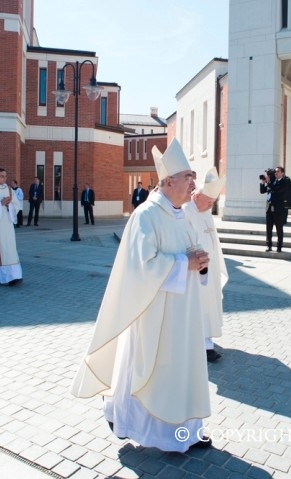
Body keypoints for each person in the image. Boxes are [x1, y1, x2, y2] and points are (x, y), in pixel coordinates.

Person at [72, 138, 213, 453]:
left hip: (184, 312)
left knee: (184, 367)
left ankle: (188, 429)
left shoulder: (182, 213)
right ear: (167, 181)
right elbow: (140, 267)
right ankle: (144, 428)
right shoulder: (146, 215)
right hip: (154, 311)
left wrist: (201, 264)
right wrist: (183, 263)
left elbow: (191, 252)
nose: (193, 182)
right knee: (153, 368)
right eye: (188, 176)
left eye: (193, 175)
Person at [183, 167, 228, 363]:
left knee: (210, 302)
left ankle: (207, 340)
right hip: (196, 269)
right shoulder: (186, 211)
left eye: (213, 203)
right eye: (209, 202)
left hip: (211, 268)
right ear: (197, 195)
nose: (211, 206)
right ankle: (204, 345)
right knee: (199, 305)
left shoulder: (205, 210)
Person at [260, 166, 291, 252]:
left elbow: (277, 190)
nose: (275, 173)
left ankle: (279, 246)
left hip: (279, 209)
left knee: (279, 228)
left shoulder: (285, 181)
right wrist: (263, 182)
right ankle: (269, 245)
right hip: (269, 208)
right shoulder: (272, 181)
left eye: (278, 171)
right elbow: (262, 191)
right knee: (268, 228)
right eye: (275, 172)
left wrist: (268, 182)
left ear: (282, 173)